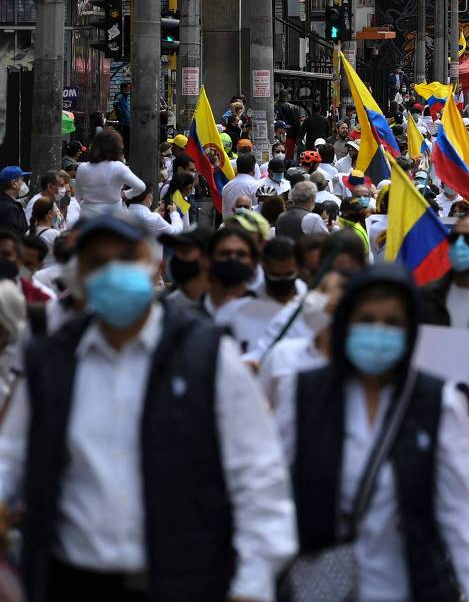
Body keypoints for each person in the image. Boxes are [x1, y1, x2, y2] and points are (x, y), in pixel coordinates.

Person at [0, 215, 297, 602]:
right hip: (71, 581)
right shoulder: (52, 359)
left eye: (126, 257)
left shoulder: (206, 355)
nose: (113, 272)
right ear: (81, 275)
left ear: (154, 265)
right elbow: (10, 455)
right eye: (98, 262)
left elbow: (257, 474)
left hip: (185, 582)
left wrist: (252, 584)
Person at [278, 263, 469, 601]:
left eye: (392, 323)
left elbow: (462, 511)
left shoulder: (437, 401)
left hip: (411, 586)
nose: (378, 332)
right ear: (346, 324)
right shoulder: (304, 395)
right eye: (367, 320)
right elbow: (271, 494)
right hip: (321, 588)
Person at [75, 130, 146, 218]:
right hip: (113, 218)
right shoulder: (118, 167)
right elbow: (141, 187)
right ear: (117, 148)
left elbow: (77, 196)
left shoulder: (82, 167)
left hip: (88, 217)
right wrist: (125, 194)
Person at [159, 226, 212, 313]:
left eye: (185, 251)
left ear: (206, 258)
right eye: (175, 251)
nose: (176, 258)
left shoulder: (223, 307)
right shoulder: (167, 306)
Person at [29, 198, 61, 270]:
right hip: (50, 277)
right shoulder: (54, 234)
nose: (57, 214)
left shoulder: (28, 232)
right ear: (49, 214)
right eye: (56, 211)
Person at [0, 167, 29, 236]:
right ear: (14, 183)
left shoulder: (6, 203)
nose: (23, 183)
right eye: (22, 180)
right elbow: (12, 238)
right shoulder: (10, 209)